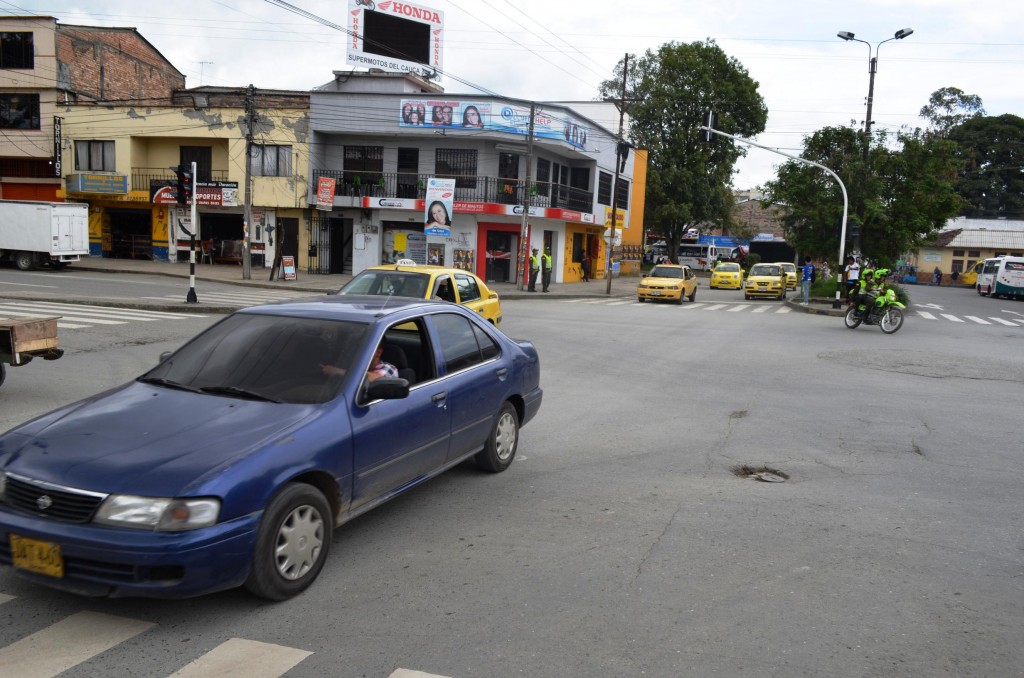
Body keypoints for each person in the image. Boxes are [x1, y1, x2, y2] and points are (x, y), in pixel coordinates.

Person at [320, 342, 397, 382]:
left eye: (362, 349)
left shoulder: (388, 368)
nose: (356, 352)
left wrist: (337, 371)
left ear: (378, 352)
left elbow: (377, 380)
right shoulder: (352, 365)